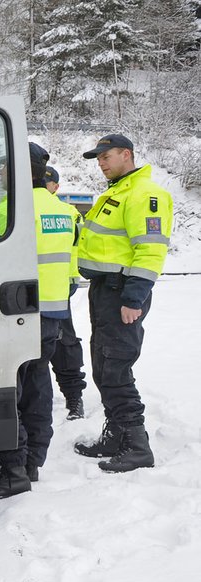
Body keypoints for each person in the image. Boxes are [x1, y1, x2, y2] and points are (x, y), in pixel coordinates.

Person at [0, 143, 76, 500]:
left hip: (14, 316)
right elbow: (69, 267)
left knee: (8, 393)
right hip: (51, 316)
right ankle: (32, 462)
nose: (0, 173)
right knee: (37, 387)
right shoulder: (62, 211)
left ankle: (12, 470)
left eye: (4, 167)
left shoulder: (6, 212)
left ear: (19, 170)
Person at [72, 134, 173, 472]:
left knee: (115, 367)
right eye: (98, 158)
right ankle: (116, 435)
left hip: (122, 294)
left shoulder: (146, 194)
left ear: (126, 154)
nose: (101, 163)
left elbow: (150, 250)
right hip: (104, 291)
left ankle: (137, 445)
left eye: (105, 156)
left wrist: (134, 298)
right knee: (102, 366)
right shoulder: (117, 192)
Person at [44, 165, 88, 420]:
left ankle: (74, 397)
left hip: (58, 289)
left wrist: (72, 278)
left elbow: (77, 249)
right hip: (27, 290)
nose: (46, 185)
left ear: (56, 188)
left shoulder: (70, 214)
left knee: (65, 344)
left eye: (51, 182)